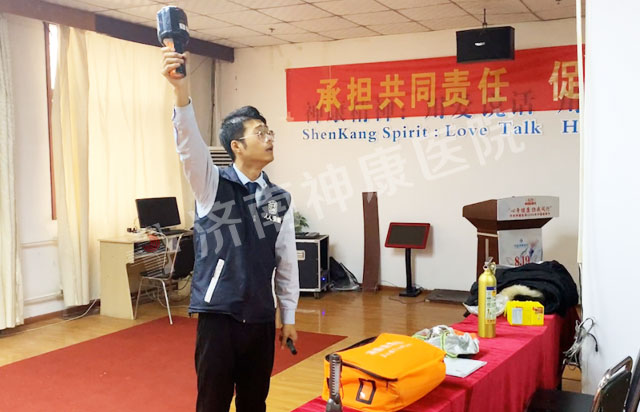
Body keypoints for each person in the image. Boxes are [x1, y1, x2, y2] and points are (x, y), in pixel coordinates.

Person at [161, 47, 299, 412]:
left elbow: (286, 262)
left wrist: (288, 317)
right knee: (213, 403)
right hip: (219, 316)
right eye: (260, 132)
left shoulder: (279, 198)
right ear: (237, 146)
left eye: (269, 131)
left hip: (260, 317)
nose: (269, 138)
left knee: (255, 403)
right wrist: (180, 92)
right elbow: (189, 147)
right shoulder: (212, 186)